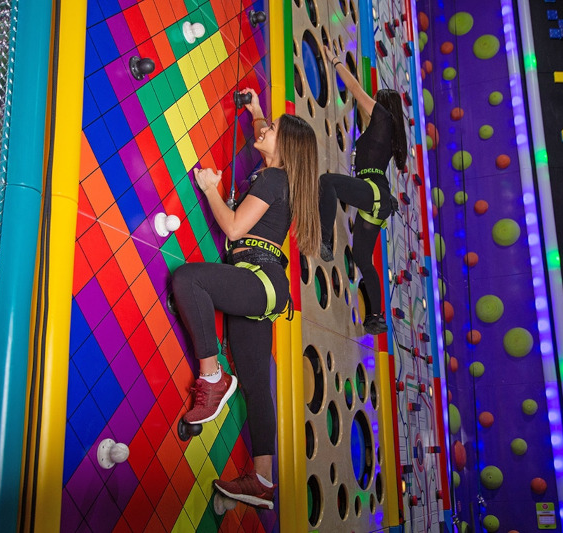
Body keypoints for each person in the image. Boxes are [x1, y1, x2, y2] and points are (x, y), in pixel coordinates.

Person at [172, 88, 320, 509]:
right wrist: (256, 112)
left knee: (187, 280)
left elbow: (235, 229)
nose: (265, 128)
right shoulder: (279, 174)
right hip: (266, 285)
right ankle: (262, 479)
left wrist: (209, 188)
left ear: (285, 147)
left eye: (271, 129)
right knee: (257, 385)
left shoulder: (275, 177)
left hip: (257, 276)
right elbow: (268, 135)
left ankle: (212, 377)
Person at [319, 45, 408, 336]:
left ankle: (324, 242)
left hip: (375, 192)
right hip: (379, 199)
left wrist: (334, 60)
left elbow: (355, 89)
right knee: (362, 260)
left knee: (328, 183)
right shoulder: (388, 132)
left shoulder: (382, 116)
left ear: (383, 104)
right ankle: (376, 317)